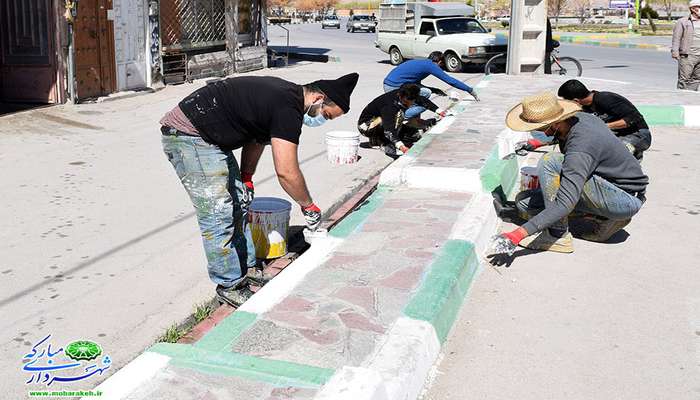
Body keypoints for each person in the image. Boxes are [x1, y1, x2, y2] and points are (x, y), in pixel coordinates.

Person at [159, 73, 359, 306]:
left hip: (210, 138)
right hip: (188, 135)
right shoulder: (288, 107)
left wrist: (247, 177)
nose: (321, 120)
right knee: (218, 212)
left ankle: (247, 267)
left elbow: (256, 139)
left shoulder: (287, 99)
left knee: (240, 202)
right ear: (318, 98)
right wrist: (308, 206)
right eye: (325, 115)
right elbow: (286, 171)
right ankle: (229, 284)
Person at [497, 92, 649, 253]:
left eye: (541, 129)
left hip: (623, 197)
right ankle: (603, 217)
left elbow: (565, 202)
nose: (543, 133)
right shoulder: (582, 119)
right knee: (524, 203)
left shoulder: (581, 149)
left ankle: (557, 236)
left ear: (556, 123)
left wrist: (517, 234)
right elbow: (561, 135)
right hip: (612, 188)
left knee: (551, 162)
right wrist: (536, 143)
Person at [555, 79, 651, 160]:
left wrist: (603, 126)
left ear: (575, 100)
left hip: (638, 135)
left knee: (613, 153)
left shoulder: (606, 99)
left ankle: (632, 156)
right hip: (615, 136)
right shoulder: (583, 108)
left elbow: (634, 118)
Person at [383, 51, 479, 119]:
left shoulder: (422, 63)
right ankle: (403, 116)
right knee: (425, 96)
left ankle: (414, 122)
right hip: (394, 87)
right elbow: (450, 81)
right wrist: (469, 90)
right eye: (441, 65)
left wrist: (435, 89)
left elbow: (414, 84)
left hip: (389, 84)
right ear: (440, 62)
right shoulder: (431, 66)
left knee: (421, 94)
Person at [358, 83, 444, 157]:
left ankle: (377, 140)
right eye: (406, 102)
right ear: (400, 95)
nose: (409, 104)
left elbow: (422, 100)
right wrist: (401, 146)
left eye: (411, 102)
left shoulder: (408, 95)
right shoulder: (390, 106)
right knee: (398, 116)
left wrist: (440, 111)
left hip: (383, 123)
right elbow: (389, 128)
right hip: (366, 126)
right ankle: (385, 143)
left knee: (414, 135)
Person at [672, 0, 700, 91]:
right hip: (688, 55)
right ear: (693, 9)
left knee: (697, 78)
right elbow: (676, 38)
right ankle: (681, 97)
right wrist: (675, 51)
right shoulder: (683, 21)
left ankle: (691, 96)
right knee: (684, 79)